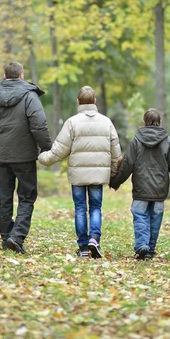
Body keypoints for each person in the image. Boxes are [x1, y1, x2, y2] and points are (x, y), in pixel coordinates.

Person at [38, 86, 121, 258]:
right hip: (99, 175)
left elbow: (59, 150)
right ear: (95, 101)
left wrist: (42, 158)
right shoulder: (106, 122)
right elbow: (116, 153)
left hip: (78, 175)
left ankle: (83, 246)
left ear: (78, 102)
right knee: (96, 207)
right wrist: (113, 174)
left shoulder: (72, 123)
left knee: (80, 208)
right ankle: (94, 239)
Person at [0, 61, 52, 254]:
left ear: (5, 76)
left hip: (3, 156)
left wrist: (1, 141)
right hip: (25, 156)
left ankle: (6, 238)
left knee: (5, 198)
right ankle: (16, 236)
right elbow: (39, 124)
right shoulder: (29, 95)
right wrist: (46, 148)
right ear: (21, 75)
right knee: (26, 197)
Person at [110, 108, 170, 260]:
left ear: (144, 122)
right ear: (160, 122)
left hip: (141, 188)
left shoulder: (136, 140)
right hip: (159, 189)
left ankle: (142, 245)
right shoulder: (167, 140)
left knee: (140, 216)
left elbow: (127, 164)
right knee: (155, 219)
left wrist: (115, 181)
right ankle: (150, 250)